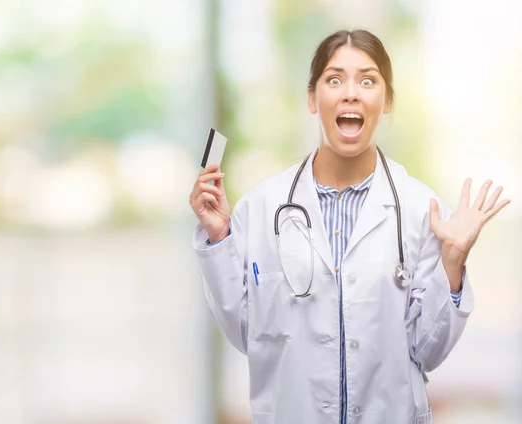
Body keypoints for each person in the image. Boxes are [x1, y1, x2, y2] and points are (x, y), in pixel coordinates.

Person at [189, 29, 510, 424]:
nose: (351, 93)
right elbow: (244, 333)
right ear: (312, 98)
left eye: (368, 80)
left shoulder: (421, 211)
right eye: (335, 79)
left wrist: (453, 263)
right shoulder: (261, 208)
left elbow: (429, 351)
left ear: (387, 100)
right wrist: (220, 237)